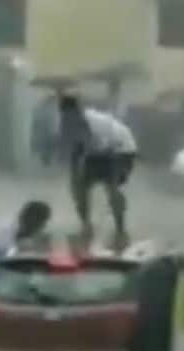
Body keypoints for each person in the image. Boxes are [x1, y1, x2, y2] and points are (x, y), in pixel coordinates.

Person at [58, 94, 137, 248]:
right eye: (66, 117)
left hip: (121, 150)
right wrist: (75, 179)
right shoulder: (68, 123)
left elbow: (108, 152)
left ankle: (120, 229)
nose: (69, 120)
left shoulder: (97, 124)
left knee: (112, 189)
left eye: (72, 116)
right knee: (79, 188)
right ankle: (86, 225)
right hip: (95, 153)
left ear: (79, 111)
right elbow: (75, 150)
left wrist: (110, 178)